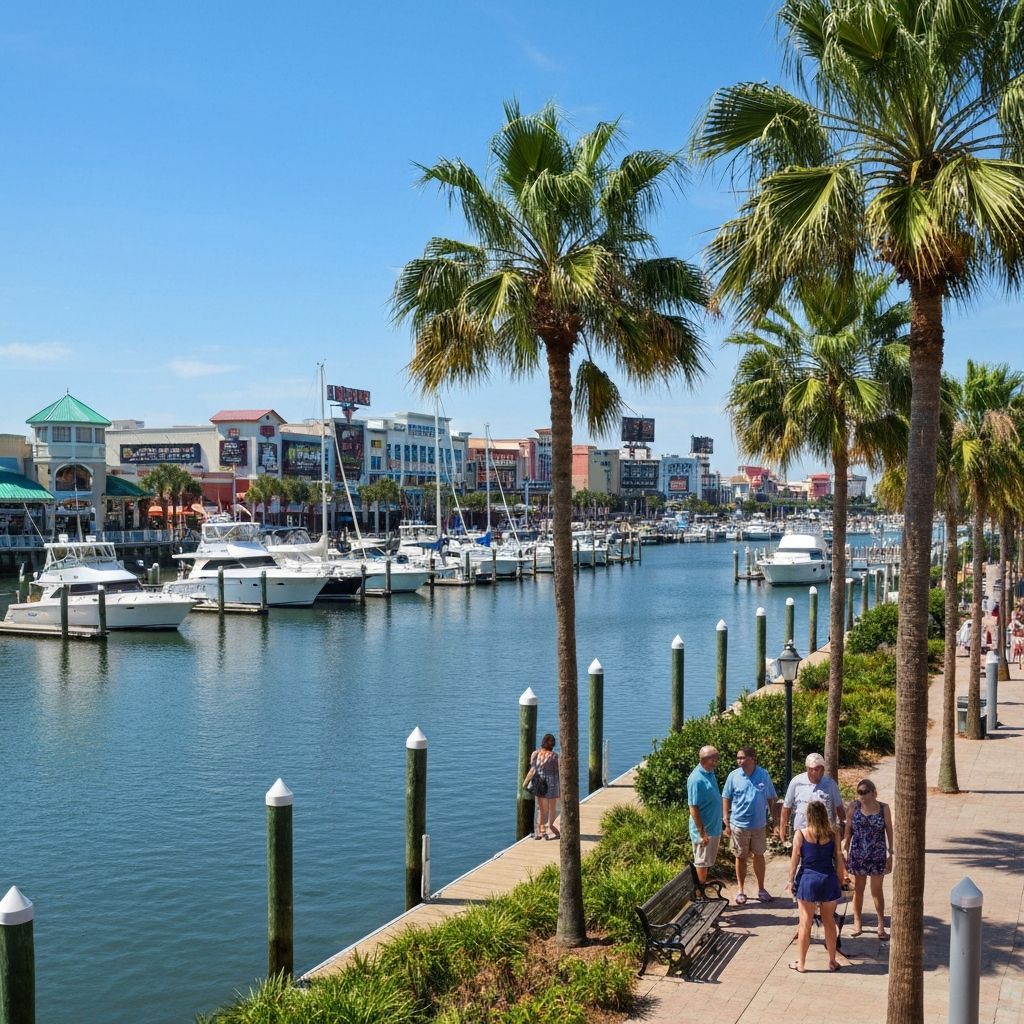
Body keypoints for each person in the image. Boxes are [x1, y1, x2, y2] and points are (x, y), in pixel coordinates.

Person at [787, 801, 846, 973]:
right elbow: (839, 857)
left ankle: (802, 964)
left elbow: (795, 859)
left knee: (805, 923)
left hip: (808, 880)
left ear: (809, 816)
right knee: (829, 921)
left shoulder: (801, 834)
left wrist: (790, 880)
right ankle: (832, 960)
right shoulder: (833, 833)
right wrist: (841, 879)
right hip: (828, 879)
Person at [722, 746, 777, 904]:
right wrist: (726, 818)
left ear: (752, 759)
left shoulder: (763, 775)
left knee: (759, 856)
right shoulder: (733, 776)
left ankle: (761, 888)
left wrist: (775, 820)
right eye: (738, 758)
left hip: (759, 825)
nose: (739, 761)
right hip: (738, 824)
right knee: (740, 857)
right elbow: (726, 796)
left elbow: (772, 798)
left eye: (742, 757)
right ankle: (740, 890)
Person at [842, 778, 894, 939]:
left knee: (876, 890)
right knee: (858, 889)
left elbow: (889, 831)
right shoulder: (853, 807)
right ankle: (858, 922)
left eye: (864, 792)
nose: (861, 795)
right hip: (858, 853)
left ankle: (880, 924)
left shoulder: (883, 808)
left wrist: (891, 853)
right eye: (859, 792)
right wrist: (845, 847)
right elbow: (848, 829)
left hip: (877, 853)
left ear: (873, 792)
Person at [778, 752, 845, 843]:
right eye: (811, 769)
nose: (814, 772)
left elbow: (839, 808)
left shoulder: (830, 784)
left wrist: (844, 827)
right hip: (802, 831)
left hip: (825, 832)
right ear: (807, 768)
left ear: (823, 769)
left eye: (817, 769)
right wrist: (782, 828)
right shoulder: (796, 782)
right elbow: (786, 807)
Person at [687, 746, 722, 883]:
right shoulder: (696, 779)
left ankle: (703, 892)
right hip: (705, 831)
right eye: (715, 759)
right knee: (701, 863)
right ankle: (700, 896)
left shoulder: (710, 773)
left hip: (714, 828)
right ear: (707, 760)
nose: (717, 762)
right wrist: (702, 833)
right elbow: (693, 808)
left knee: (707, 862)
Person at [524, 733, 560, 840]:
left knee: (542, 810)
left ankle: (542, 832)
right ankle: (552, 827)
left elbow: (532, 770)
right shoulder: (555, 756)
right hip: (553, 784)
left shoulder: (536, 754)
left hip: (541, 785)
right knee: (552, 809)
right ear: (553, 744)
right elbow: (558, 772)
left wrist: (525, 783)